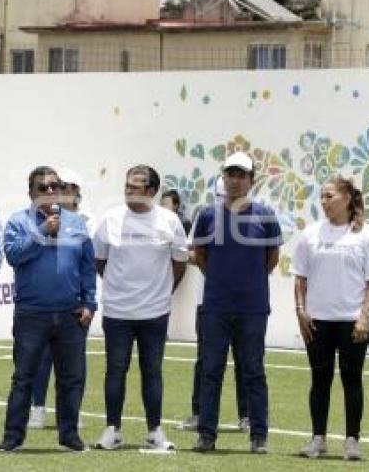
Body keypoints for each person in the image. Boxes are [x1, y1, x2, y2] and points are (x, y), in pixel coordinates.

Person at [0, 166, 96, 453]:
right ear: (31, 193)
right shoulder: (18, 222)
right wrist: (42, 231)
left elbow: (87, 267)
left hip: (70, 313)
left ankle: (69, 435)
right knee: (23, 377)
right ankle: (13, 437)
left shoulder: (77, 222)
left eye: (55, 186)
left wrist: (89, 303)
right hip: (32, 313)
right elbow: (14, 256)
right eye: (43, 188)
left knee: (71, 378)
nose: (51, 192)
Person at [191, 152, 283, 454]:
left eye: (241, 174)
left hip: (253, 308)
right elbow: (200, 256)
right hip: (215, 307)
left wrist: (249, 283)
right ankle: (207, 434)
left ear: (251, 181)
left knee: (254, 371)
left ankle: (259, 436)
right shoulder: (207, 215)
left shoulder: (266, 216)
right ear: (224, 178)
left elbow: (272, 259)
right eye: (230, 173)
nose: (235, 179)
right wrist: (219, 280)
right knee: (211, 372)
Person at [92, 165, 187, 451]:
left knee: (152, 371)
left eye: (136, 186)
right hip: (117, 311)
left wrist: (163, 292)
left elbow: (180, 263)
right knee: (115, 370)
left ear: (152, 192)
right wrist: (118, 288)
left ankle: (155, 431)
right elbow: (99, 261)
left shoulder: (170, 222)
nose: (129, 190)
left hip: (155, 313)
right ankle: (112, 430)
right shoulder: (110, 219)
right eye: (127, 185)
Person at [291, 177, 369, 461]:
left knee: (351, 379)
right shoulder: (310, 234)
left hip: (353, 321)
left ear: (346, 198)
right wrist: (300, 310)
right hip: (317, 321)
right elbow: (300, 277)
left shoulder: (366, 235)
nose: (323, 202)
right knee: (319, 379)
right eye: (321, 197)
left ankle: (352, 441)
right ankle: (317, 439)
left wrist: (364, 317)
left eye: (329, 196)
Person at [178, 175, 249, 433]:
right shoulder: (206, 216)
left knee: (245, 360)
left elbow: (268, 258)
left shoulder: (255, 216)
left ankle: (247, 415)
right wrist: (215, 271)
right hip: (208, 301)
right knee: (206, 361)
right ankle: (199, 414)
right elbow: (192, 253)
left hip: (244, 303)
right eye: (221, 195)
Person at [28, 170, 87, 430]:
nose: (62, 192)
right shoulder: (35, 219)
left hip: (72, 305)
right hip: (40, 306)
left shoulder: (84, 221)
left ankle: (73, 412)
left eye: (67, 187)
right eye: (56, 187)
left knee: (73, 366)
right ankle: (38, 408)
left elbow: (88, 264)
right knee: (41, 361)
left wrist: (89, 301)